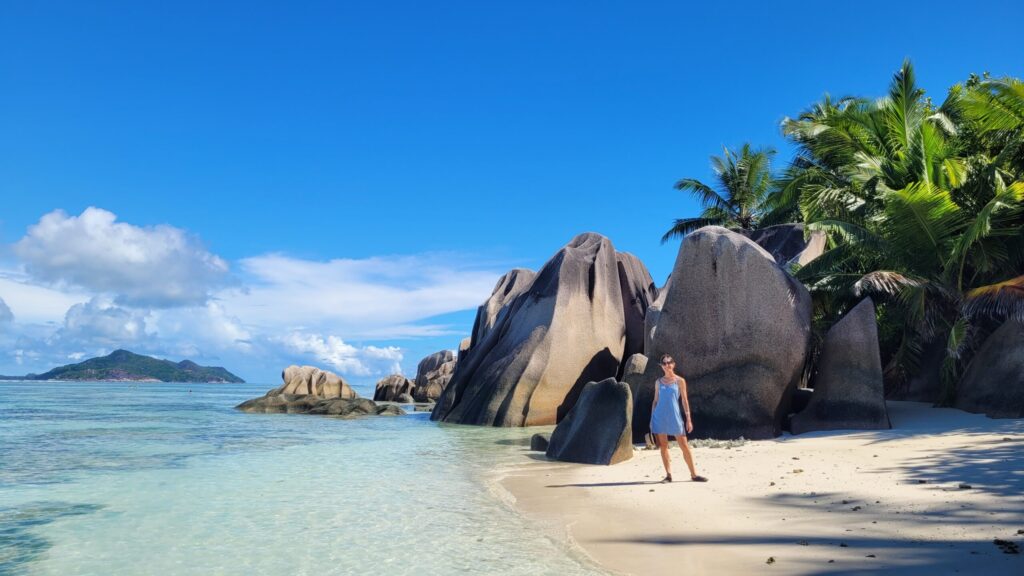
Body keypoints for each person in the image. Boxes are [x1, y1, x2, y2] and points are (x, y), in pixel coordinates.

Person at [650, 354, 707, 483]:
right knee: (664, 446)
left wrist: (688, 419)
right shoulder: (658, 382)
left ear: (673, 364)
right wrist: (651, 419)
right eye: (664, 363)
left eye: (669, 362)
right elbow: (655, 401)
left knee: (684, 446)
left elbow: (685, 400)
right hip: (659, 417)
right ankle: (668, 475)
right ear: (661, 366)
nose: (667, 365)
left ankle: (694, 474)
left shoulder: (680, 381)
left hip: (675, 417)